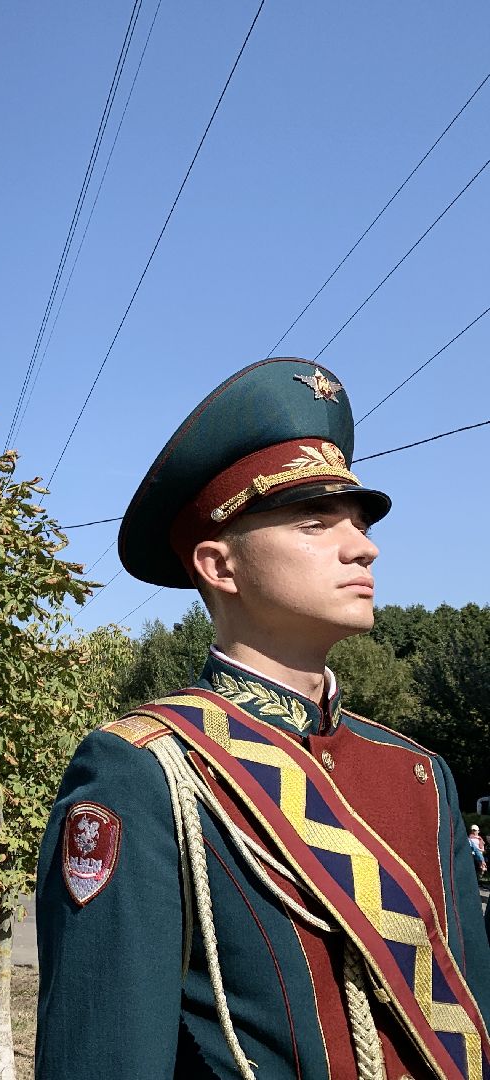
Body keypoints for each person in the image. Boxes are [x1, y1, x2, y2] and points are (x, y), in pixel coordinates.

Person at [36, 357, 490, 1079]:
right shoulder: (145, 770)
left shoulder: (420, 773)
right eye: (316, 522)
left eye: (359, 522)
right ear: (220, 567)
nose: (363, 545)